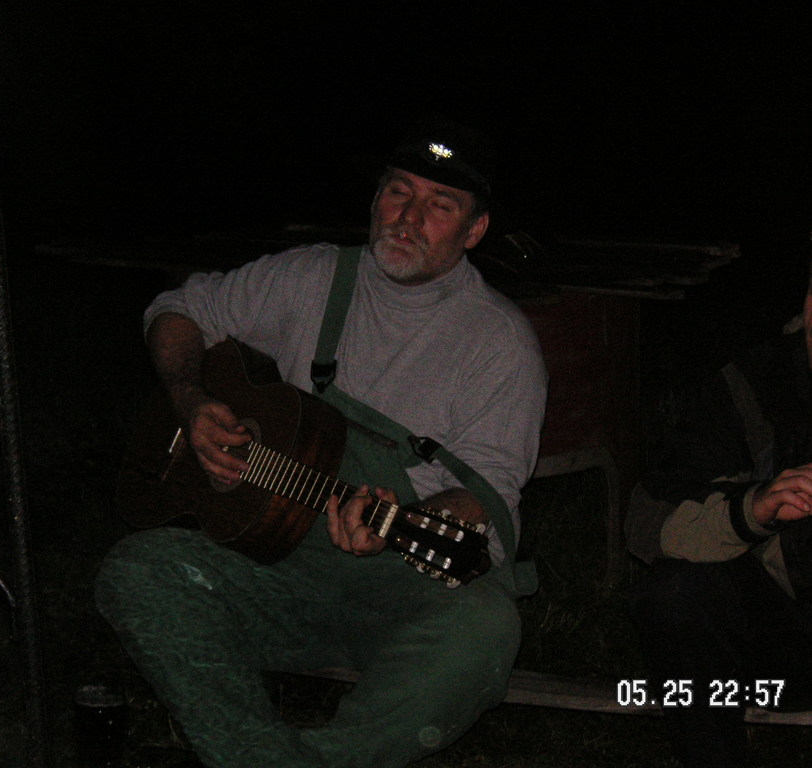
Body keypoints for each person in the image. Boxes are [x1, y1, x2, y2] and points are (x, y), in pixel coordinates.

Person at [94, 118, 548, 768]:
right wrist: (190, 400)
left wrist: (401, 522)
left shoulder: (500, 344)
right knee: (139, 571)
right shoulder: (313, 277)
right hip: (279, 565)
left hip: (405, 587)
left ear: (474, 231)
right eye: (399, 192)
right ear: (376, 199)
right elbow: (177, 309)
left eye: (440, 205)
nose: (409, 217)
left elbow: (489, 504)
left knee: (484, 629)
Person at [626, 218, 812, 768]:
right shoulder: (763, 384)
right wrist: (751, 511)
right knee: (675, 594)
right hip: (792, 653)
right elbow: (644, 519)